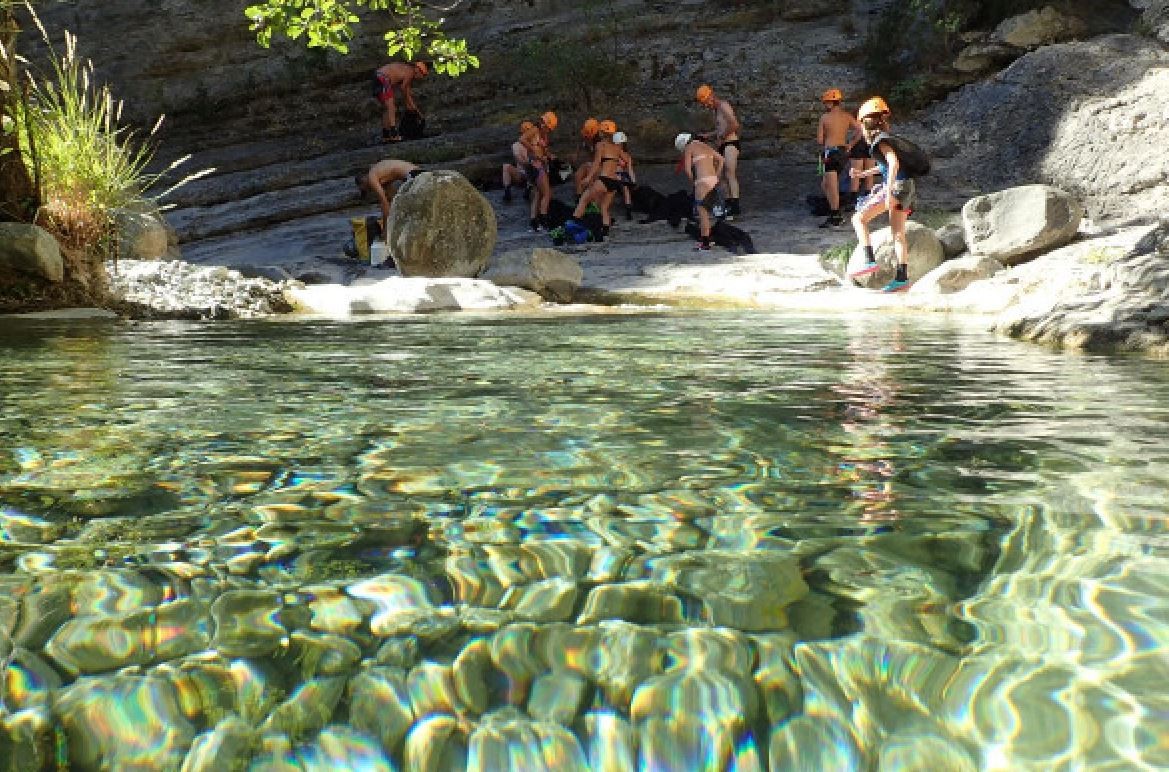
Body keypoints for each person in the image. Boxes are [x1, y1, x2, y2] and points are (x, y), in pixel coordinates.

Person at [849, 96, 916, 292]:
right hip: (907, 188)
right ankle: (902, 278)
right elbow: (885, 166)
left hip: (896, 188)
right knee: (898, 234)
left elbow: (893, 163)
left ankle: (869, 261)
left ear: (865, 123)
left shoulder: (880, 142)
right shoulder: (888, 140)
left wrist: (887, 191)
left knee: (858, 219)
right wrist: (863, 173)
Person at [568, 120, 626, 239]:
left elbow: (596, 163)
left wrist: (588, 177)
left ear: (602, 132)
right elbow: (625, 160)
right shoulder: (617, 147)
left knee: (583, 199)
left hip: (604, 179)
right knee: (604, 208)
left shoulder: (600, 145)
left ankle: (573, 224)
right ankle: (604, 233)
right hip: (614, 182)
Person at [816, 87, 864, 227]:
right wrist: (851, 144)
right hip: (843, 152)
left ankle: (835, 215)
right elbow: (860, 129)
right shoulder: (847, 116)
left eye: (826, 103)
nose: (825, 106)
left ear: (830, 103)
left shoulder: (824, 117)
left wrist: (827, 139)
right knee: (826, 184)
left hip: (830, 153)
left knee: (831, 185)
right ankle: (835, 206)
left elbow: (819, 140)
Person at [696, 84, 742, 219]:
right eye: (703, 104)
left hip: (730, 143)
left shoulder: (723, 106)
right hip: (723, 143)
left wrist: (722, 137)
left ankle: (735, 206)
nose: (706, 106)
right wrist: (708, 135)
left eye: (706, 103)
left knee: (729, 172)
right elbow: (721, 128)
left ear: (711, 96)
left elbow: (734, 124)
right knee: (720, 176)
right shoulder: (715, 110)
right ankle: (728, 203)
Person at [675, 132, 724, 251]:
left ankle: (705, 242)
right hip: (712, 180)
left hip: (702, 181)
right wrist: (716, 175)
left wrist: (694, 182)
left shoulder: (689, 147)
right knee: (709, 211)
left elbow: (687, 169)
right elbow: (721, 159)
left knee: (702, 213)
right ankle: (709, 238)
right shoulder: (704, 145)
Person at [354, 159, 422, 235]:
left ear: (362, 182)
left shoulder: (371, 177)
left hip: (414, 176)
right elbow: (393, 200)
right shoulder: (382, 176)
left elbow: (384, 204)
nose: (369, 191)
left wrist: (385, 230)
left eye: (365, 189)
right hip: (419, 174)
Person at [520, 111, 558, 231]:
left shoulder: (543, 134)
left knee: (538, 193)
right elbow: (522, 139)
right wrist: (534, 150)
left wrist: (549, 155)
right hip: (536, 166)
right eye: (549, 128)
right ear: (545, 123)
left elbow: (544, 149)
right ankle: (543, 219)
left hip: (539, 164)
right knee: (547, 193)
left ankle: (533, 221)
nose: (549, 131)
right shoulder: (535, 130)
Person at [373, 61, 428, 143]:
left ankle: (386, 135)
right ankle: (394, 134)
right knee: (391, 107)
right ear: (417, 70)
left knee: (387, 108)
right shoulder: (410, 71)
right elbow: (403, 90)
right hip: (383, 78)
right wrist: (415, 112)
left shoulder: (406, 72)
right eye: (422, 75)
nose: (421, 78)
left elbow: (408, 96)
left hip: (377, 76)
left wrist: (417, 112)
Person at [501, 120, 535, 204]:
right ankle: (507, 192)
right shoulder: (516, 145)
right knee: (506, 166)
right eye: (526, 131)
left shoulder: (535, 144)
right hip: (521, 175)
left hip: (534, 174)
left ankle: (528, 189)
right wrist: (530, 162)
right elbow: (519, 160)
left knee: (535, 167)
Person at [612, 131, 637, 220]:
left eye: (622, 144)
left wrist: (633, 181)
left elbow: (630, 169)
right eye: (619, 144)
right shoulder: (611, 154)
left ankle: (628, 210)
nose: (620, 145)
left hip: (622, 176)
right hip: (612, 175)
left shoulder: (627, 156)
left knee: (626, 188)